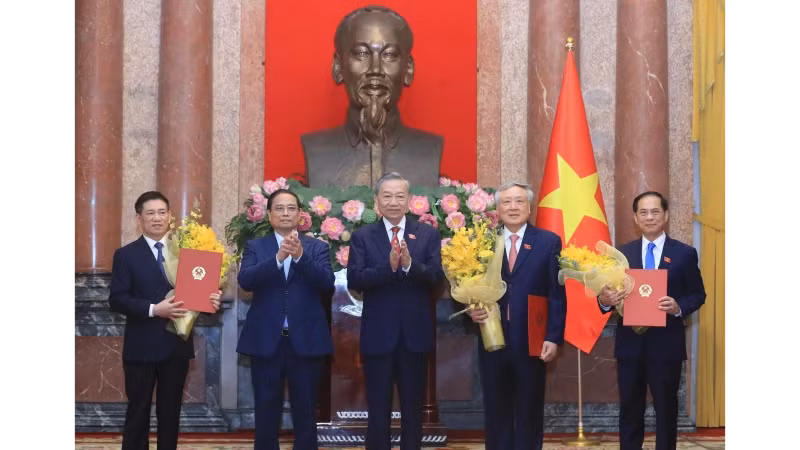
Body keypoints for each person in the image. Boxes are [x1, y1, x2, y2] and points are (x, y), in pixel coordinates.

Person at [109, 191, 221, 450]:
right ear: (139, 218)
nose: (157, 218)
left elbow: (195, 297)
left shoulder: (186, 253)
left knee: (170, 414)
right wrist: (153, 309)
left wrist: (209, 304)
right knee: (138, 412)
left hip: (175, 346)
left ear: (170, 216)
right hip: (141, 347)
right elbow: (117, 299)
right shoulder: (126, 255)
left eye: (162, 212)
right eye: (150, 213)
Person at [598, 191, 706, 450]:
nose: (649, 217)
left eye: (655, 211)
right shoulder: (621, 256)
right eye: (643, 212)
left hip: (666, 345)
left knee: (666, 409)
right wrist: (605, 299)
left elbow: (698, 294)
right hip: (630, 346)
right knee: (630, 409)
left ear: (666, 215)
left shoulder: (684, 254)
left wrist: (678, 306)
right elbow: (604, 299)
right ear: (635, 217)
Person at [347, 172, 444, 450]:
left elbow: (437, 279)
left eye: (399, 196)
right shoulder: (363, 236)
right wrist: (388, 268)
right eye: (386, 196)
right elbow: (356, 280)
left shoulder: (427, 235)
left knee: (413, 409)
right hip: (379, 335)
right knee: (378, 408)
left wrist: (411, 264)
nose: (393, 202)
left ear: (410, 200)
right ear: (376, 201)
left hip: (415, 335)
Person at [467, 182, 567, 450]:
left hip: (532, 340)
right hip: (492, 338)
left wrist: (554, 337)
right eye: (506, 202)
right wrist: (471, 313)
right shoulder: (483, 241)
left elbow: (556, 295)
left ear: (530, 207)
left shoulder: (548, 242)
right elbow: (470, 288)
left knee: (529, 409)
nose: (513, 207)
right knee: (496, 409)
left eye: (519, 201)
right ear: (497, 208)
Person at [302, 5, 442, 188]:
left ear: (408, 68)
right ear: (338, 67)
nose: (375, 70)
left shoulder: (429, 149)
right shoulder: (316, 149)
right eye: (361, 53)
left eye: (389, 55)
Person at [237, 189, 335, 450]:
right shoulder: (256, 247)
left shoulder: (317, 247)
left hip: (306, 341)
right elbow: (245, 281)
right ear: (269, 215)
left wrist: (300, 257)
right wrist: (278, 259)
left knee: (306, 411)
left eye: (291, 208)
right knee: (266, 410)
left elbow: (327, 284)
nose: (285, 213)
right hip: (266, 342)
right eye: (279, 208)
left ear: (300, 215)